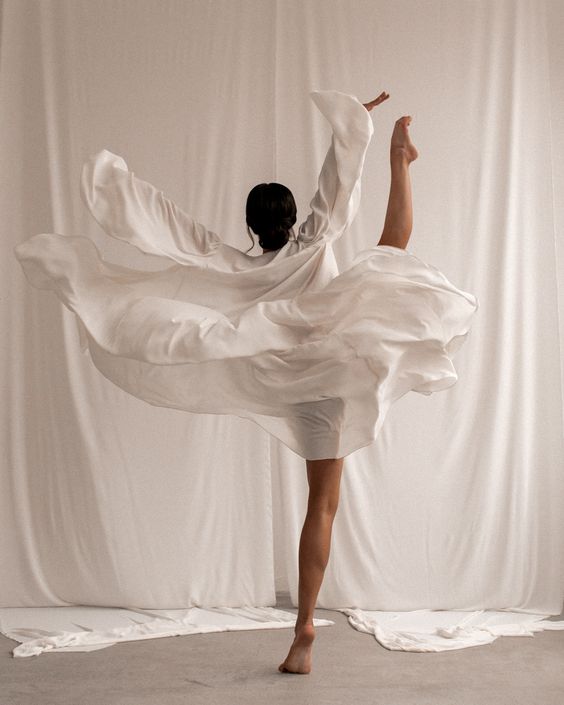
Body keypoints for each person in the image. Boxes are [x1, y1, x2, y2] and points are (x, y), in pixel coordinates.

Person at [14, 89, 478, 676]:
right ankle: (305, 623)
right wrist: (356, 125)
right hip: (331, 377)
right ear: (294, 219)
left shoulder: (237, 266)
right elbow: (334, 190)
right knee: (325, 501)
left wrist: (120, 188)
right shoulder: (316, 243)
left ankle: (304, 627)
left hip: (282, 380)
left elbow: (175, 231)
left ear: (251, 226)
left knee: (380, 268)